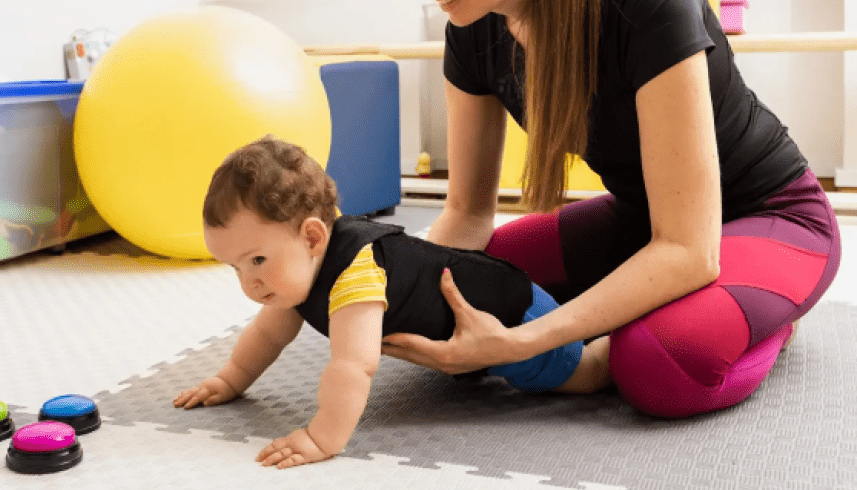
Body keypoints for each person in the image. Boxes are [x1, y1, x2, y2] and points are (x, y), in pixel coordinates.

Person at [378, 0, 841, 418]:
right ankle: (682, 315)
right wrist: (379, 289)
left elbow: (688, 250)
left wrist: (531, 344)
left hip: (770, 217)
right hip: (643, 223)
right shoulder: (472, 30)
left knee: (651, 365)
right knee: (454, 294)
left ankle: (767, 324)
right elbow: (467, 213)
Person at [173, 136, 612, 469]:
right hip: (470, 331)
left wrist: (321, 438)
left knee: (584, 374)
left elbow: (353, 365)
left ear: (312, 236)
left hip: (511, 318)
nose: (248, 282)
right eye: (235, 268)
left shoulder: (355, 275)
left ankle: (625, 329)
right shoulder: (292, 275)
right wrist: (230, 380)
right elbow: (267, 335)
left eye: (256, 261)